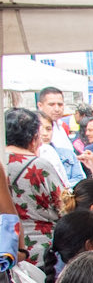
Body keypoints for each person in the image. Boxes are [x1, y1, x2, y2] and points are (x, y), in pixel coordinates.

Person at [5, 108, 63, 263]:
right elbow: (65, 207)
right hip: (40, 251)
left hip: (6, 250)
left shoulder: (2, 163)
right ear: (34, 137)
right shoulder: (38, 166)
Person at [36, 86, 86, 185]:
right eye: (51, 104)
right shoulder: (31, 129)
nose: (57, 109)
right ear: (40, 105)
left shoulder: (62, 127)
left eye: (60, 104)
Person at [35, 112, 71, 189]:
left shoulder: (50, 151)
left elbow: (64, 182)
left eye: (48, 129)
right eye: (40, 129)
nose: (45, 134)